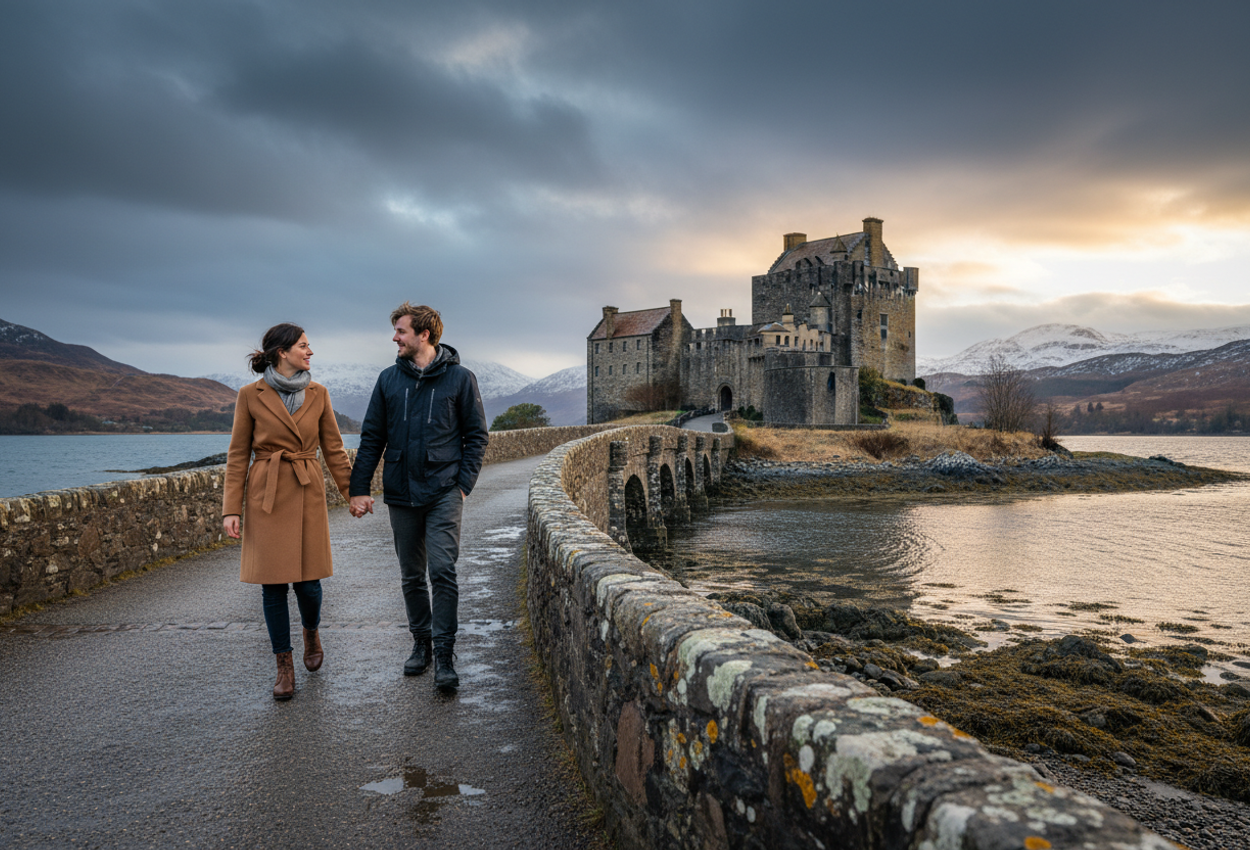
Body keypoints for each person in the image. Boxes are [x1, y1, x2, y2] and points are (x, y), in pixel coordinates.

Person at [348, 303, 489, 691]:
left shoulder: (461, 379)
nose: (394, 338)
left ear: (423, 335)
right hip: (401, 491)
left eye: (401, 331)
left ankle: (445, 653)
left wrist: (463, 484)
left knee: (442, 571)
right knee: (412, 575)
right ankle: (421, 644)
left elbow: (476, 436)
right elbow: (373, 437)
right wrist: (359, 488)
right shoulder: (388, 380)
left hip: (445, 490)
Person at [222, 323, 354, 701]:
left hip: (306, 487)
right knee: (273, 586)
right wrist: (231, 509)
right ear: (282, 352)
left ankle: (311, 630)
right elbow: (236, 456)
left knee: (310, 586)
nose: (310, 352)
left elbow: (333, 449)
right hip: (266, 490)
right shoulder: (250, 395)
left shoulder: (319, 393)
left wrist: (353, 494)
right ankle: (284, 664)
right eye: (303, 346)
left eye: (309, 346)